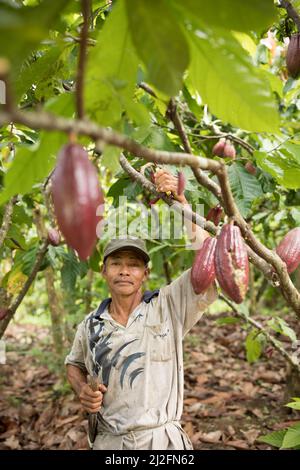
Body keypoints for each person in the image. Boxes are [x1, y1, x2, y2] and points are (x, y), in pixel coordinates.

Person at [65, 169, 217, 450]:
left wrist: (181, 202)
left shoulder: (169, 305)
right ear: (104, 271)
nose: (125, 271)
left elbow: (209, 260)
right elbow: (74, 364)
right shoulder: (90, 325)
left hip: (162, 442)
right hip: (110, 443)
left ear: (145, 273)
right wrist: (82, 390)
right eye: (116, 263)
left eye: (133, 265)